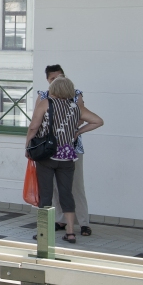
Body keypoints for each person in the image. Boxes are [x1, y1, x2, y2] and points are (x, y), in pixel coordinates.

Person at [24, 75, 103, 244]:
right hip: (68, 156)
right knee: (66, 193)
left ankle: (44, 233)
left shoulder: (46, 104)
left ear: (54, 89)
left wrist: (28, 146)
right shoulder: (76, 107)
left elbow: (33, 126)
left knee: (46, 194)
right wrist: (77, 132)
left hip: (47, 154)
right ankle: (70, 232)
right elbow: (98, 121)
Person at [39, 65, 92, 236]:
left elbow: (81, 116)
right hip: (50, 149)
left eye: (60, 77)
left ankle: (84, 222)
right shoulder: (44, 96)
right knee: (54, 188)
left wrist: (75, 131)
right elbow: (37, 121)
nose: (57, 81)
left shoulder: (75, 94)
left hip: (72, 147)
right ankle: (61, 220)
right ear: (48, 81)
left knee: (75, 185)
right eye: (53, 79)